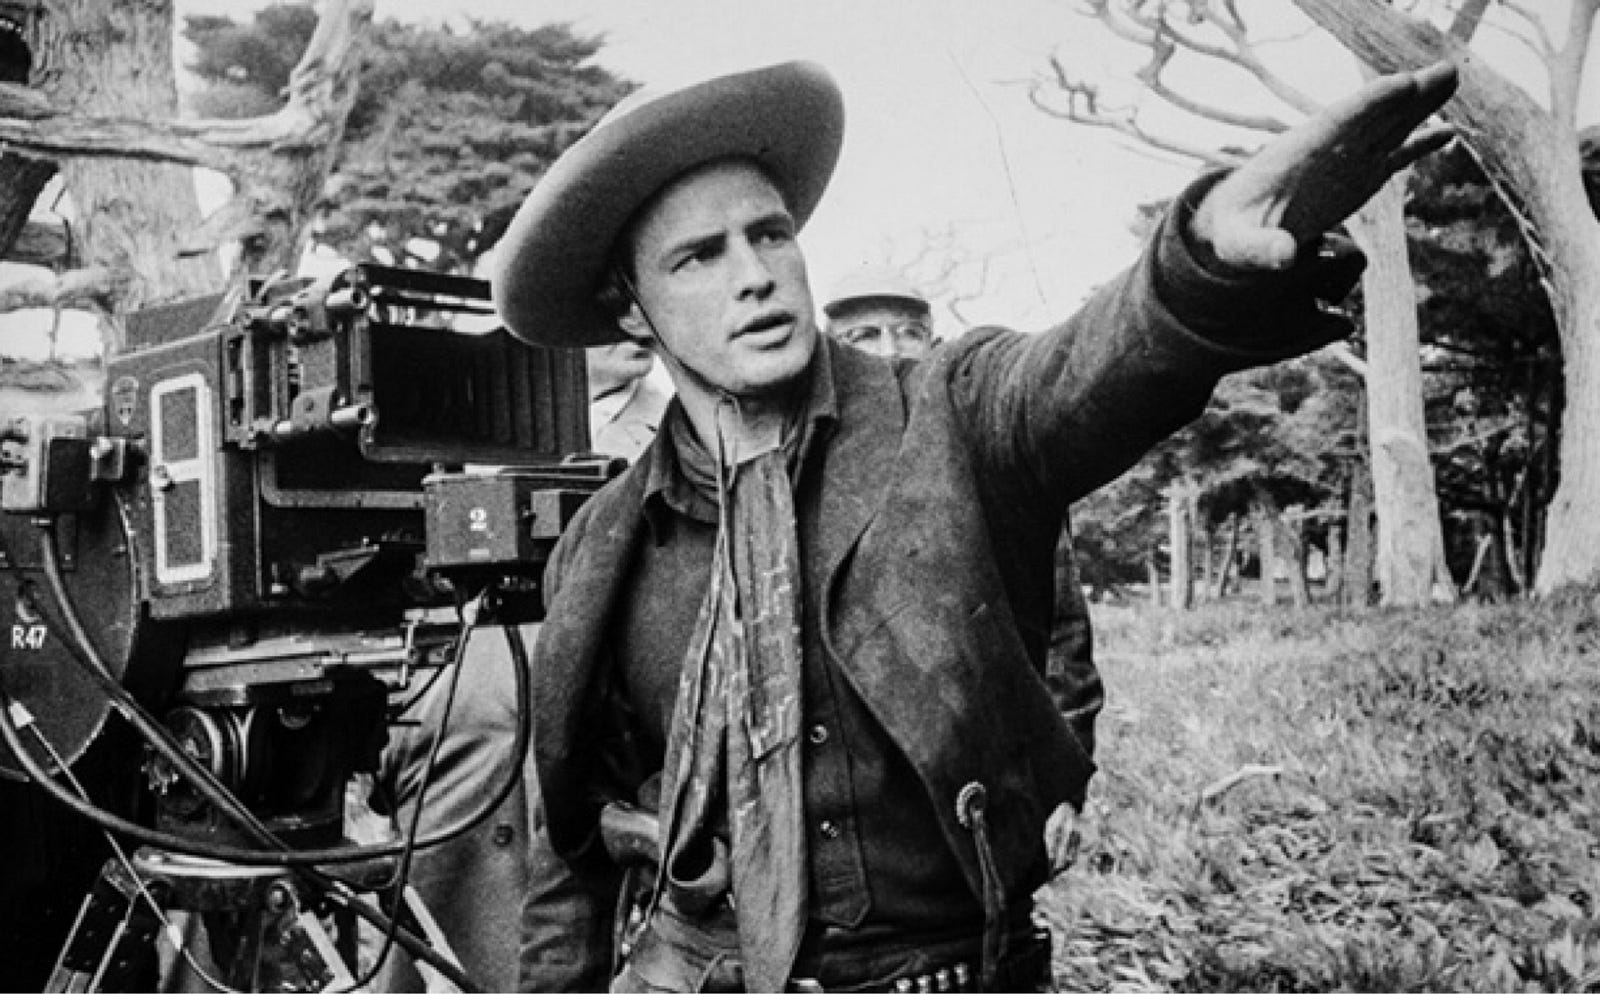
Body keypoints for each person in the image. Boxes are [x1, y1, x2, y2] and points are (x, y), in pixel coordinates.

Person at [490, 59, 1457, 992]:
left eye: (770, 235)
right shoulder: (604, 541)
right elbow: (569, 860)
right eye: (700, 256)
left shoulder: (950, 411)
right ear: (631, 310)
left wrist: (1196, 263)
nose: (756, 276)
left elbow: (1081, 372)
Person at [373, 342, 669, 992]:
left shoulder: (678, 434)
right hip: (454, 753)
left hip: (606, 745)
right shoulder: (450, 421)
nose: (629, 325)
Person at [821, 268, 1103, 757]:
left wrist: (1069, 756)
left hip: (987, 754)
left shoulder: (993, 454)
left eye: (909, 332)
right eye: (863, 335)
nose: (890, 350)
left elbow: (1062, 630)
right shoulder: (810, 466)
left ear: (934, 346)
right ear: (829, 354)